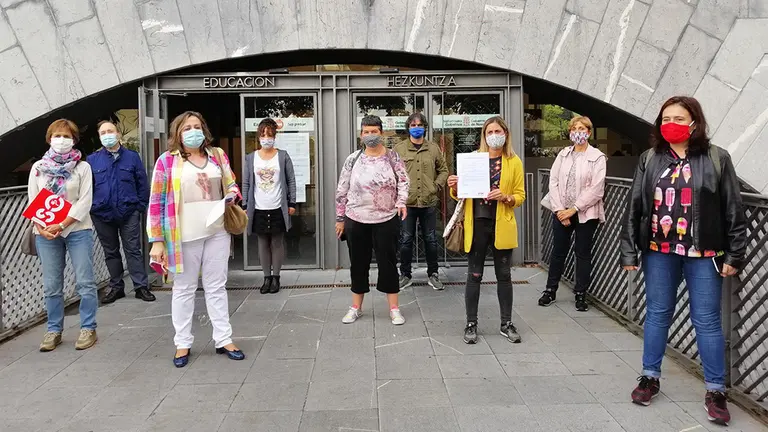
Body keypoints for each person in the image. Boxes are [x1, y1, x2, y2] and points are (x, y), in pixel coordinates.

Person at [620, 96, 746, 425]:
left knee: (706, 320)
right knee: (658, 313)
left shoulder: (717, 158)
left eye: (679, 117)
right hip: (659, 252)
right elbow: (635, 206)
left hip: (703, 254)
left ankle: (716, 389)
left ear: (694, 123)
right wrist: (629, 250)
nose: (671, 123)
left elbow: (733, 208)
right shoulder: (650, 159)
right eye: (665, 118)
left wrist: (735, 253)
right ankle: (649, 377)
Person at [147, 111, 245, 367]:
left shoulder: (217, 156)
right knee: (183, 289)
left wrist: (232, 195)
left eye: (198, 126)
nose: (193, 131)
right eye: (187, 127)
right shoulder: (166, 162)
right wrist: (157, 239)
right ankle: (182, 343)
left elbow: (231, 183)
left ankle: (224, 339)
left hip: (216, 232)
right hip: (183, 236)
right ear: (178, 132)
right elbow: (156, 201)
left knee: (216, 287)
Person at [447, 116, 526, 345]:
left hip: (502, 223)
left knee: (504, 275)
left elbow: (520, 195)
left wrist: (507, 197)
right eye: (489, 131)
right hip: (477, 223)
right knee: (474, 275)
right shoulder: (473, 160)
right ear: (484, 135)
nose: (494, 135)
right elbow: (461, 195)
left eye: (498, 131)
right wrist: (455, 187)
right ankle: (471, 324)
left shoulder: (514, 161)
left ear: (505, 134)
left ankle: (506, 323)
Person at [29, 119, 98, 352]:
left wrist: (62, 223)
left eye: (66, 136)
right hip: (46, 234)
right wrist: (41, 227)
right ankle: (53, 330)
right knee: (51, 285)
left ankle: (88, 327)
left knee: (85, 282)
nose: (61, 140)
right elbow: (33, 199)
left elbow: (84, 200)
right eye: (57, 136)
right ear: (49, 139)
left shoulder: (82, 168)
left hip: (77, 229)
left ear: (74, 140)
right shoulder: (39, 167)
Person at [335, 115, 410, 325]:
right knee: (358, 264)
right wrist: (340, 218)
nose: (370, 135)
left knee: (388, 264)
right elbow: (342, 189)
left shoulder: (393, 157)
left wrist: (401, 202)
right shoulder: (353, 159)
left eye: (374, 131)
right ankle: (355, 307)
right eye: (366, 132)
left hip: (386, 219)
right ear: (361, 135)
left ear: (382, 133)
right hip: (356, 219)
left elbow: (404, 181)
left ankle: (394, 309)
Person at [539, 116, 606, 311]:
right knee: (558, 252)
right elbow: (553, 181)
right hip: (561, 211)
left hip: (585, 212)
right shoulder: (563, 155)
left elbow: (596, 189)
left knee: (582, 253)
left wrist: (573, 209)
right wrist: (560, 210)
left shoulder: (598, 157)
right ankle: (550, 290)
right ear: (570, 132)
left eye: (582, 128)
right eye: (575, 128)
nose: (578, 131)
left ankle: (580, 294)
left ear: (589, 132)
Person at [88, 120, 155, 304]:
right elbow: (88, 188)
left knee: (133, 249)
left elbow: (142, 183)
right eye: (103, 132)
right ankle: (116, 287)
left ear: (118, 134)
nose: (107, 135)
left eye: (110, 131)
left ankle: (141, 287)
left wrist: (140, 206)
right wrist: (92, 208)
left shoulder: (132, 157)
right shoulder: (92, 160)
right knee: (111, 251)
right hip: (102, 213)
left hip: (129, 211)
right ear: (99, 136)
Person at [393, 112, 448, 290]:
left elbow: (444, 170)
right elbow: (390, 173)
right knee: (406, 240)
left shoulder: (433, 149)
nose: (417, 128)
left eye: (420, 124)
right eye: (413, 125)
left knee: (431, 240)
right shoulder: (399, 149)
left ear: (425, 127)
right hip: (407, 204)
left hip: (429, 202)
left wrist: (436, 186)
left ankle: (433, 274)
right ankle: (405, 275)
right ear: (408, 128)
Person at [242, 118, 297, 294]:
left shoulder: (283, 156)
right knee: (262, 242)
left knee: (277, 242)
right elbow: (246, 183)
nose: (267, 138)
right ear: (258, 136)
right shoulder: (251, 158)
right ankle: (266, 278)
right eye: (263, 134)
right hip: (258, 206)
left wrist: (292, 202)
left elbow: (291, 180)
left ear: (275, 136)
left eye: (270, 134)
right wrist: (245, 205)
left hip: (278, 206)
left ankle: (276, 278)